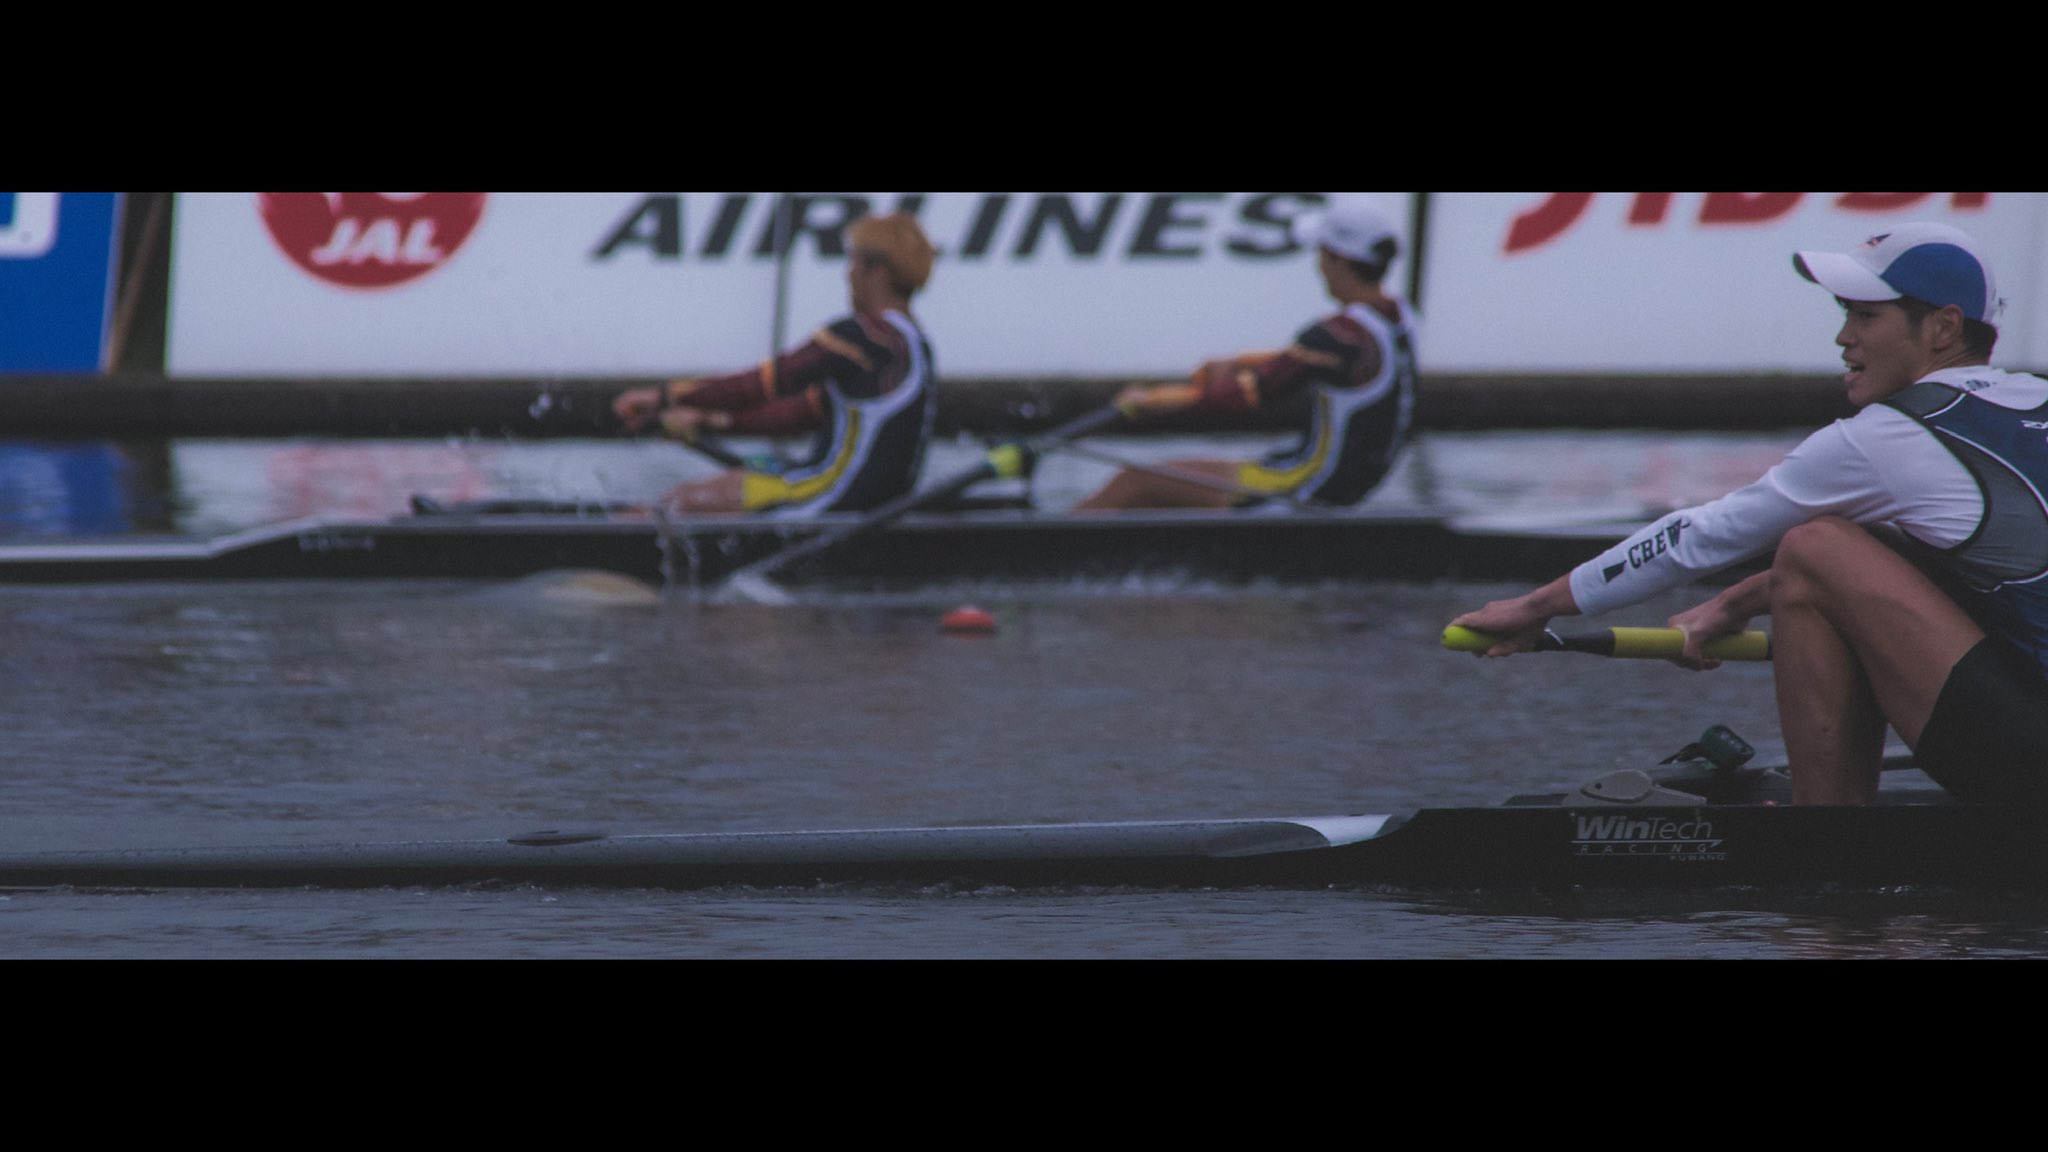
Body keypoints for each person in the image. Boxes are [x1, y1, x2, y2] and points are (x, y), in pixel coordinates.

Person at [1450, 221, 2048, 806]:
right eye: (1846, 313)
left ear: (1943, 327)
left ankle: (1828, 833)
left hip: (2026, 760)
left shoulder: (1887, 436)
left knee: (1815, 546)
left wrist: (1536, 608)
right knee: (1857, 542)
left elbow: (1700, 536)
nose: (1844, 338)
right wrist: (1736, 603)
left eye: (1867, 316)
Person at [1069, 196, 1420, 512]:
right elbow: (1309, 363)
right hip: (1345, 488)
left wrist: (1150, 402)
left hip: (1303, 485)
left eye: (1320, 254)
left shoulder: (1336, 335)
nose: (1319, 267)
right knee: (1174, 484)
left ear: (1338, 259)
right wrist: (1239, 363)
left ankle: (1052, 551)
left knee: (1136, 481)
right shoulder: (1400, 319)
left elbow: (1246, 394)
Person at [611, 211, 938, 516]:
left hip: (830, 494)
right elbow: (800, 412)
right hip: (876, 505)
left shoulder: (863, 337)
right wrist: (705, 421)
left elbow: (762, 384)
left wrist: (664, 396)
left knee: (679, 502)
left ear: (878, 272)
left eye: (853, 261)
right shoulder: (916, 345)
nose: (848, 273)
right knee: (727, 485)